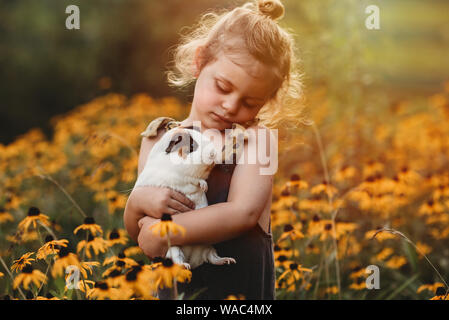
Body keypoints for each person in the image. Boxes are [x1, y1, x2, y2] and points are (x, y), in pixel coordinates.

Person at [123, 0, 304, 300]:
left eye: (250, 103)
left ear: (267, 102)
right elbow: (139, 229)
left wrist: (164, 231)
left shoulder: (259, 141)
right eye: (222, 86)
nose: (231, 106)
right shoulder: (157, 138)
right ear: (199, 61)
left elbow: (242, 213)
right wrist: (136, 203)